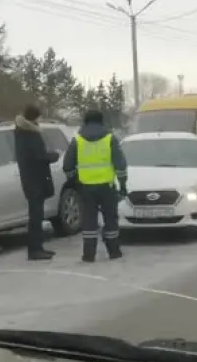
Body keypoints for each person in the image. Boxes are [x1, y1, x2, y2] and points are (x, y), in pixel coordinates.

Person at [63, 108, 128, 262]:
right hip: (107, 186)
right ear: (101, 121)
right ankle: (114, 251)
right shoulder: (110, 138)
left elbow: (67, 166)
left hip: (86, 187)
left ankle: (89, 254)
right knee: (110, 219)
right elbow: (120, 164)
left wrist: (75, 180)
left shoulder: (77, 139)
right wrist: (123, 185)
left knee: (89, 220)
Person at [14, 104, 60, 261]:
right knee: (35, 216)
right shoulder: (29, 134)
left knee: (37, 215)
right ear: (34, 118)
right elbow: (37, 157)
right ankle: (35, 249)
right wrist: (53, 156)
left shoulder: (23, 132)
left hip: (32, 178)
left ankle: (38, 247)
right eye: (39, 117)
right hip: (34, 180)